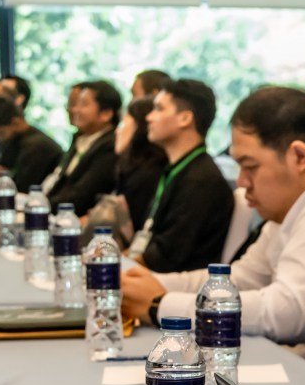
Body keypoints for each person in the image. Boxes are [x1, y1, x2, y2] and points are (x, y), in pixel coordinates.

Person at [122, 87, 305, 375]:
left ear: (299, 157)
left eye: (250, 166)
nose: (241, 182)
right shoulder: (302, 198)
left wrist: (161, 305)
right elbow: (242, 279)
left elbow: (289, 311)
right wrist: (152, 284)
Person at [136, 78, 235, 273]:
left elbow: (164, 259)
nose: (149, 117)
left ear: (185, 118)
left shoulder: (201, 181)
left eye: (159, 108)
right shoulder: (177, 169)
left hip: (175, 290)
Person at [45, 80, 122, 216]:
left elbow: (84, 195)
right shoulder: (80, 139)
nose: (75, 110)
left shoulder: (110, 146)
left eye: (84, 104)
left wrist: (44, 207)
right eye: (76, 104)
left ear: (106, 114)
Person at [0, 95, 62, 190]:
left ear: (16, 122)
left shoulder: (37, 146)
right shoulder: (9, 140)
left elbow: (22, 185)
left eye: (1, 132)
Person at [113, 97, 166, 228]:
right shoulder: (130, 166)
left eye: (123, 124)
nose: (117, 130)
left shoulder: (149, 174)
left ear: (140, 128)